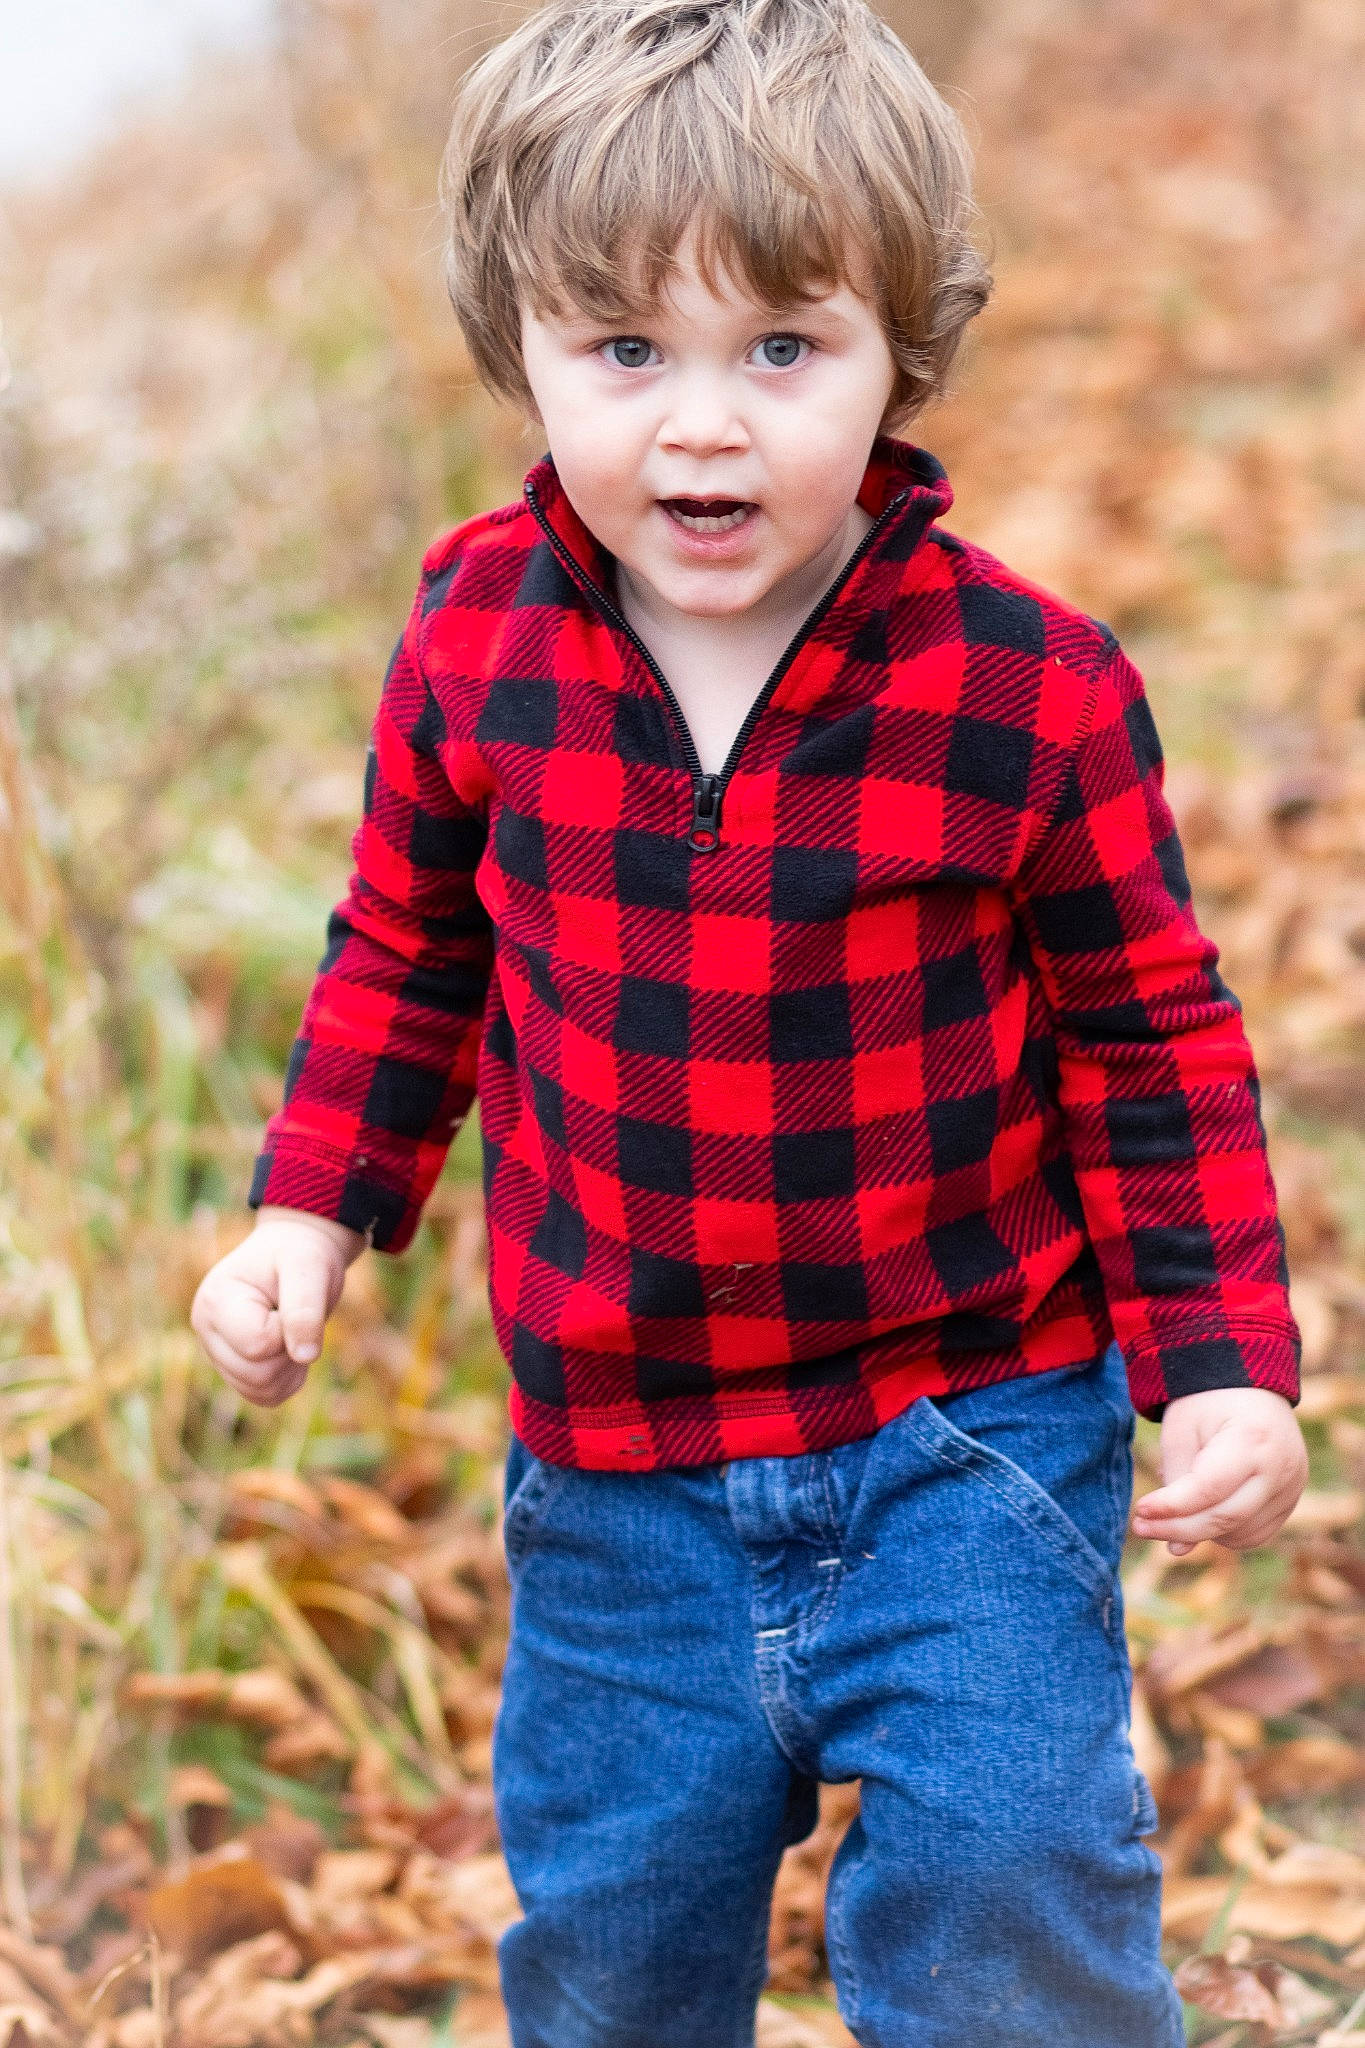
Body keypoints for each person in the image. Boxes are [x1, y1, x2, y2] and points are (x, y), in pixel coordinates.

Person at [191, 0, 1309, 2039]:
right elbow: (404, 953)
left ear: (899, 349)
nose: (699, 424)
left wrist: (1217, 1360)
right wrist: (306, 1216)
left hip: (964, 1421)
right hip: (616, 1458)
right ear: (514, 344)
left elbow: (1149, 1036)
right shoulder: (473, 638)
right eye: (624, 352)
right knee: (613, 1935)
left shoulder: (1020, 688)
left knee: (1006, 1874)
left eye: (778, 349)